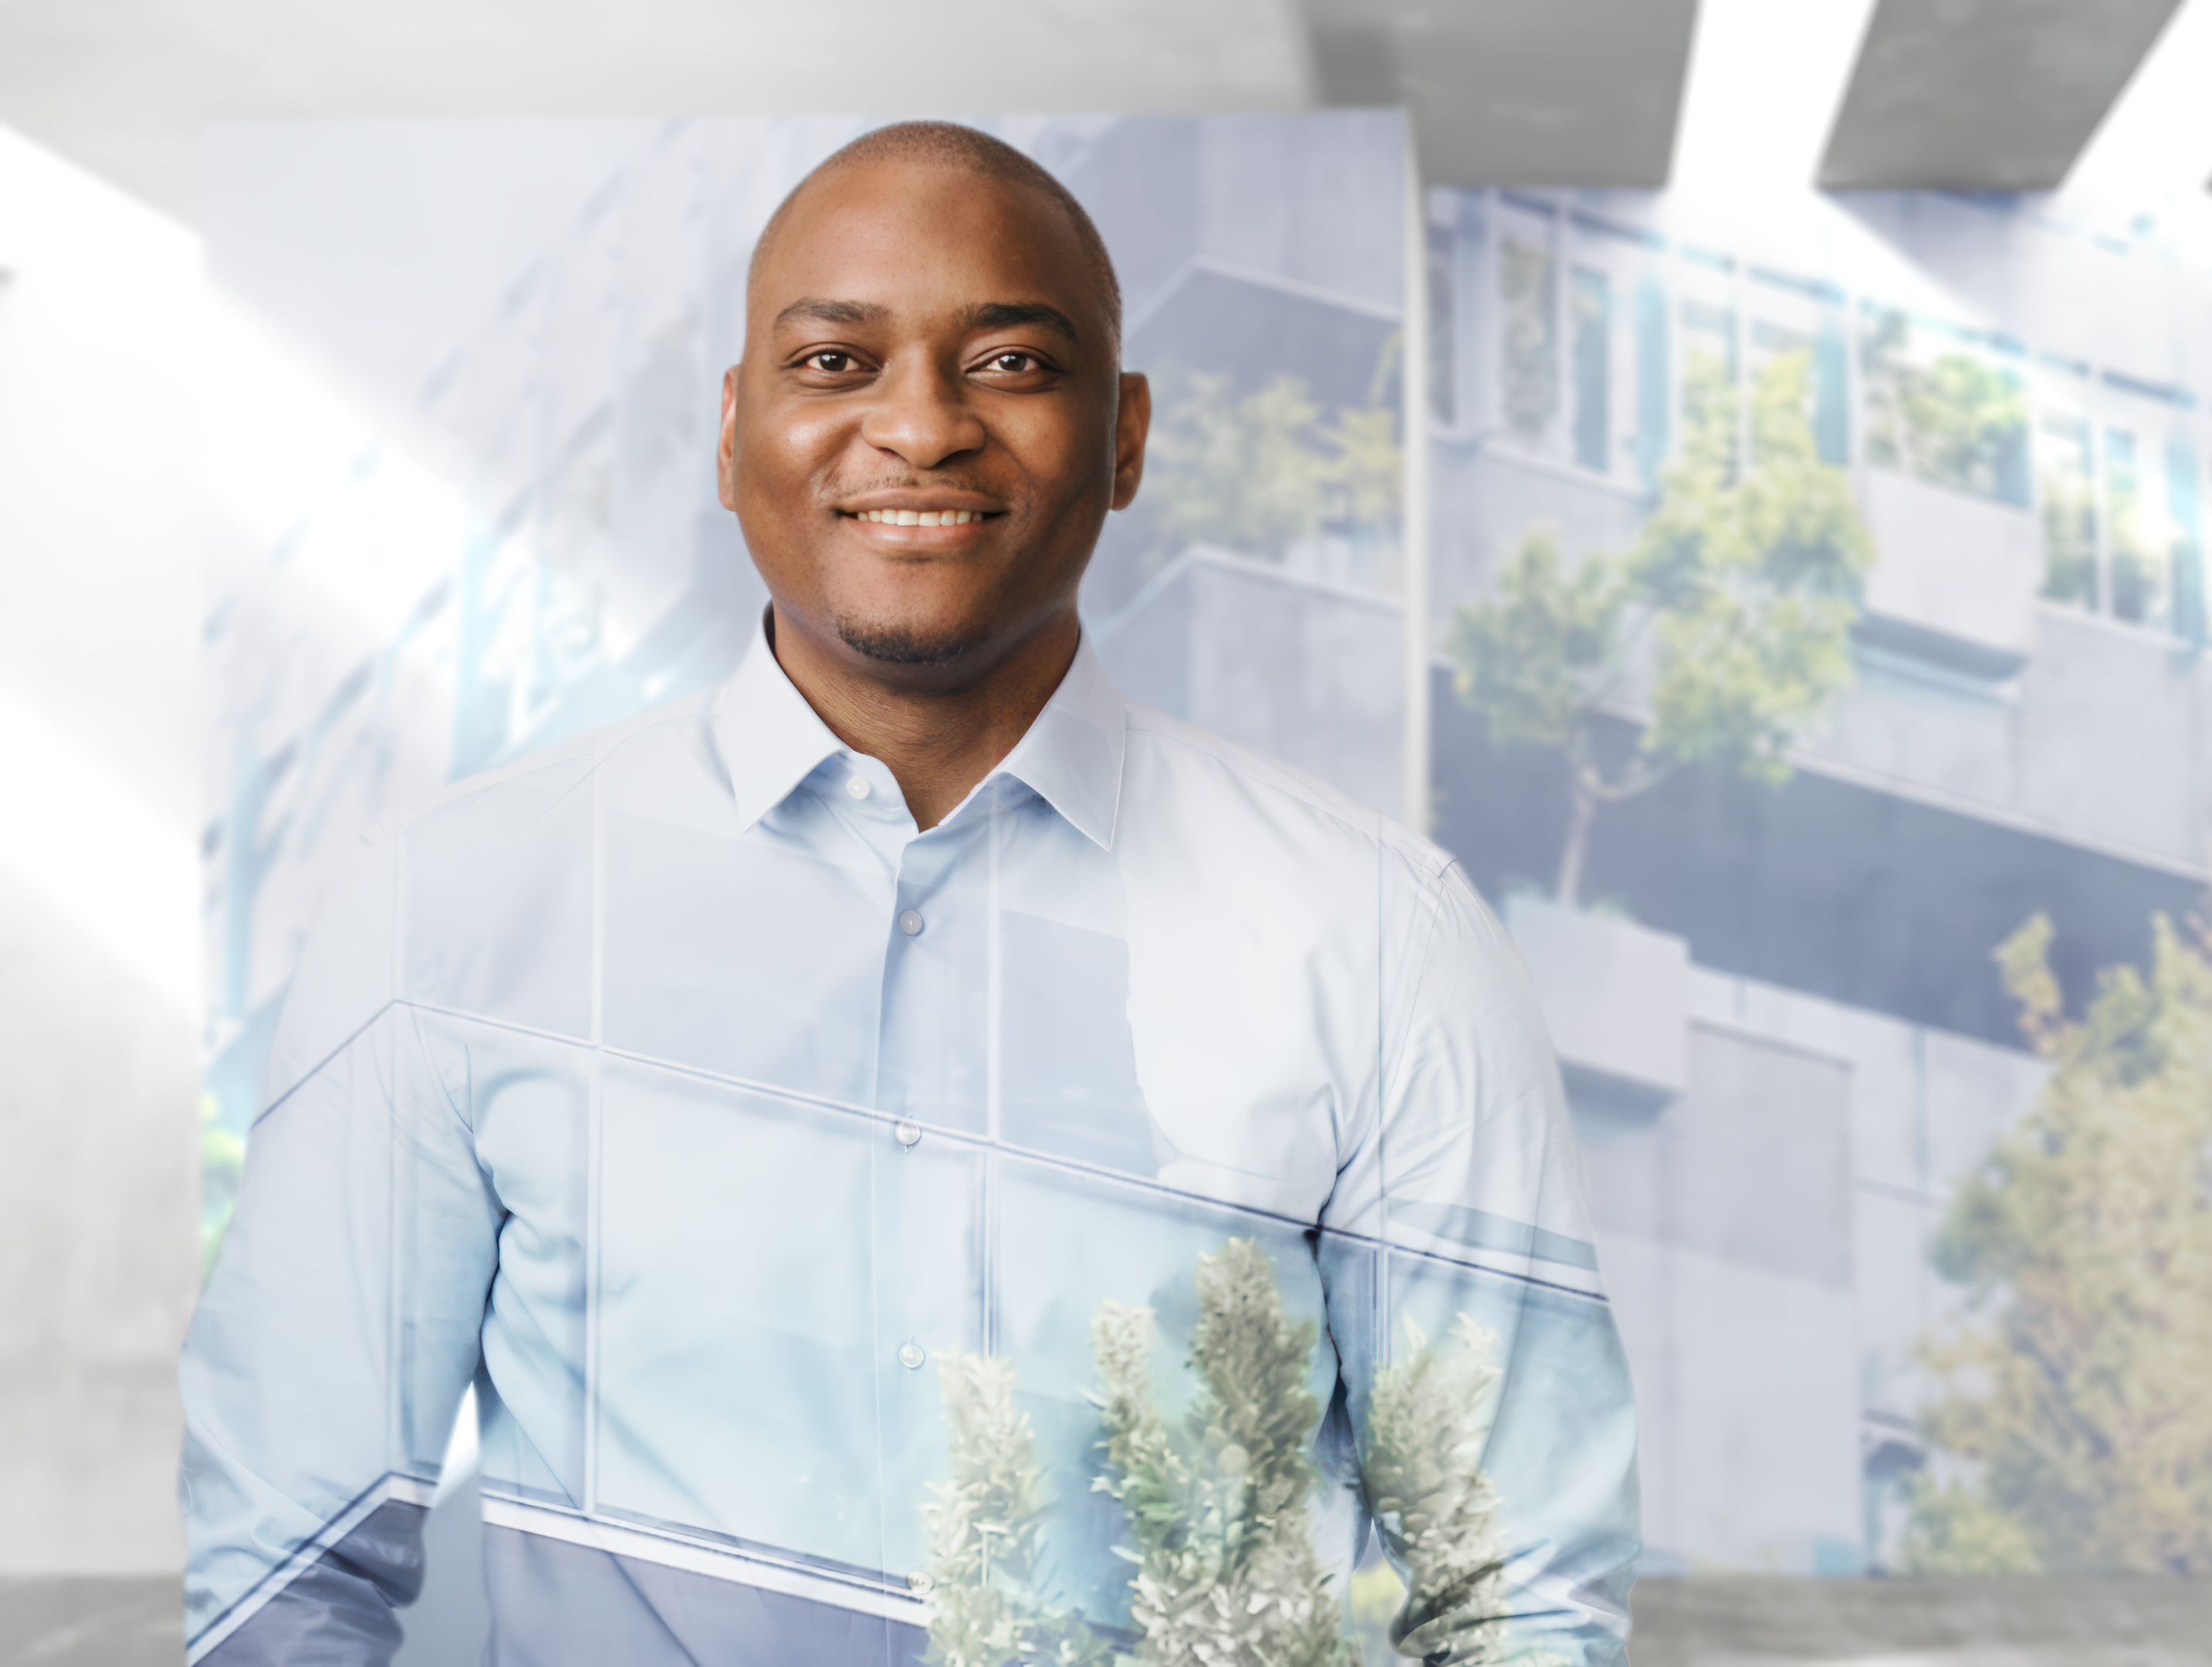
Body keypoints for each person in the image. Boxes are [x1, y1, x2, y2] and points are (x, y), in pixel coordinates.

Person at [180, 120, 1639, 1665]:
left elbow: (1517, 1592)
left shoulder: (1378, 938)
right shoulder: (457, 905)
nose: (925, 427)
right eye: (835, 363)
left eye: (1011, 363)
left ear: (1125, 436)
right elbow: (287, 1569)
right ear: (732, 431)